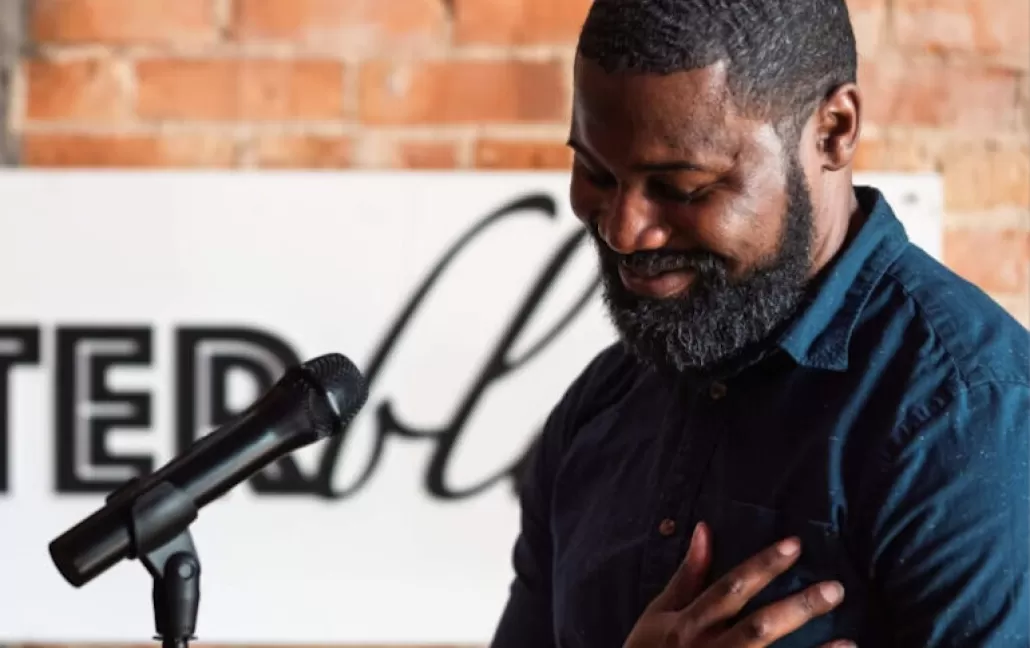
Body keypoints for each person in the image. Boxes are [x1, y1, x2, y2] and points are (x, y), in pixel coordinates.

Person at [489, 0, 1030, 646]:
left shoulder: (967, 416)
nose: (624, 231)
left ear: (833, 131)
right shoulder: (601, 404)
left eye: (683, 187)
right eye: (596, 173)